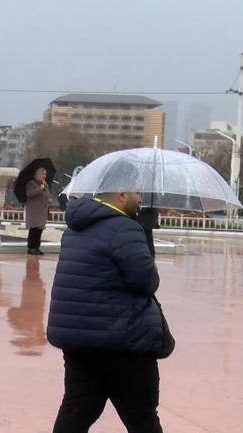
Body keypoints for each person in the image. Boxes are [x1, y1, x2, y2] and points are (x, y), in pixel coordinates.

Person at [47, 162, 170, 433]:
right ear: (121, 194)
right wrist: (145, 235)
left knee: (76, 412)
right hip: (123, 343)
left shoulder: (76, 228)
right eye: (137, 192)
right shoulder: (124, 229)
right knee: (143, 418)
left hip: (79, 340)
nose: (140, 198)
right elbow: (146, 280)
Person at [25, 167, 50, 255]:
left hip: (42, 211)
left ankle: (37, 247)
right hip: (34, 212)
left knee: (39, 230)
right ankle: (31, 247)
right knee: (34, 230)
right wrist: (40, 188)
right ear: (37, 174)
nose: (44, 176)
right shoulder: (31, 183)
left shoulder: (45, 184)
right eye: (42, 174)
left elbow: (46, 195)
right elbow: (29, 194)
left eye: (45, 174)